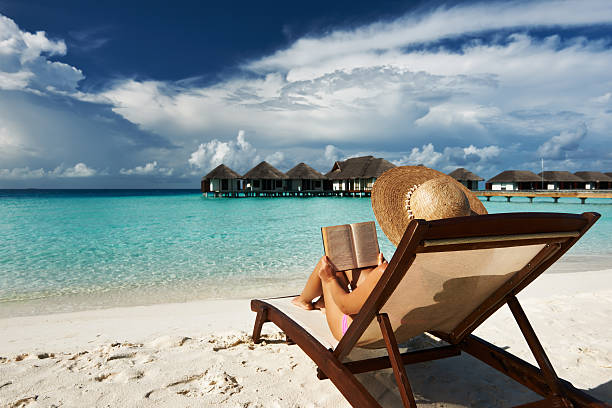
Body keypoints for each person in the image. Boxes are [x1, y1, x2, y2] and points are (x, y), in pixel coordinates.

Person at [292, 165, 488, 341]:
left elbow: (346, 306)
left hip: (360, 332)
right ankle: (321, 301)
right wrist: (379, 273)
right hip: (405, 326)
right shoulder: (458, 273)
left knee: (329, 264)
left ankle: (304, 300)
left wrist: (328, 280)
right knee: (355, 267)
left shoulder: (391, 274)